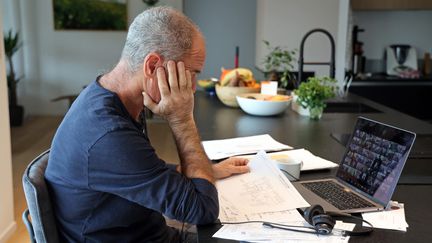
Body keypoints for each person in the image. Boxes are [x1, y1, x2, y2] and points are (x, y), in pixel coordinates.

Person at [45, 6, 249, 243]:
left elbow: (141, 167)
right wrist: (182, 120)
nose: (193, 87)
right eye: (192, 73)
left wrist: (208, 171)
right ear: (152, 66)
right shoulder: (107, 133)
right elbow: (202, 210)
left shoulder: (108, 95)